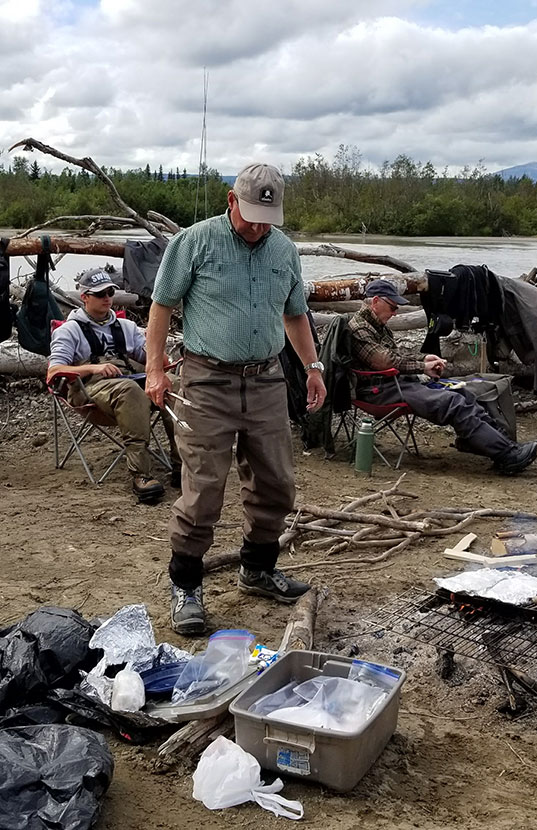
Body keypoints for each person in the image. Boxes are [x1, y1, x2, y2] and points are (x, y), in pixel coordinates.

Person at [145, 162, 325, 636]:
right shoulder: (195, 242)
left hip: (266, 380)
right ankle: (186, 586)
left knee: (276, 482)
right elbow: (161, 306)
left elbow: (296, 315)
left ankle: (258, 570)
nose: (258, 226)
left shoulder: (284, 251)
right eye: (249, 215)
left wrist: (313, 368)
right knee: (204, 488)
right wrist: (155, 367)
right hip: (207, 380)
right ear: (231, 201)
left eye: (267, 217)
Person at [348, 280, 537, 473]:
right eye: (392, 307)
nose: (395, 312)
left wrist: (424, 358)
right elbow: (385, 362)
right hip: (377, 391)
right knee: (452, 403)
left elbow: (395, 356)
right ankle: (507, 455)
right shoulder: (359, 328)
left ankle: (500, 446)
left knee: (465, 394)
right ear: (375, 302)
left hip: (395, 383)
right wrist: (422, 366)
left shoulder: (376, 325)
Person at [46, 268, 179, 504]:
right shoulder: (70, 330)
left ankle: (182, 465)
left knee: (175, 385)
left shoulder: (126, 327)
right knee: (130, 392)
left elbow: (156, 361)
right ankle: (141, 474)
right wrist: (94, 368)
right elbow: (54, 371)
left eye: (110, 292)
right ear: (84, 297)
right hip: (89, 390)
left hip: (128, 380)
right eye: (100, 294)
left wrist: (157, 353)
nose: (107, 297)